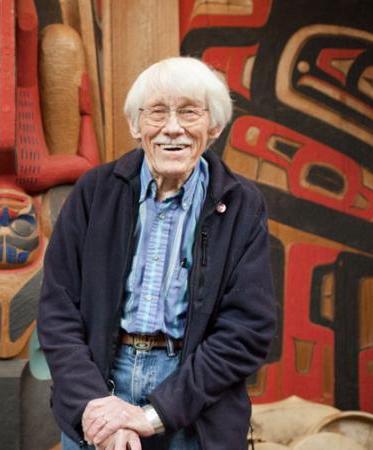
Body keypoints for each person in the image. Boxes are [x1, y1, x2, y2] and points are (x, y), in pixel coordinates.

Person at [37, 56, 276, 450]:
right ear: (135, 125)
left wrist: (153, 414)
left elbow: (247, 331)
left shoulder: (242, 205)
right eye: (157, 113)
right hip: (99, 379)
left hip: (193, 394)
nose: (172, 128)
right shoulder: (94, 192)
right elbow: (57, 310)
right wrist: (96, 405)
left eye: (188, 112)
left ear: (213, 126)